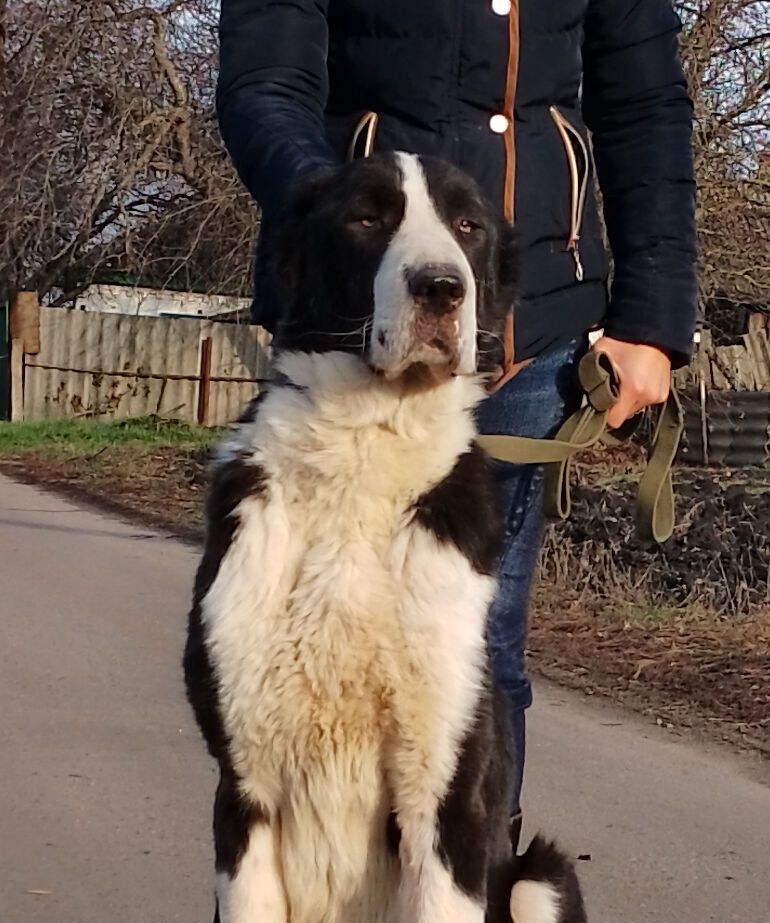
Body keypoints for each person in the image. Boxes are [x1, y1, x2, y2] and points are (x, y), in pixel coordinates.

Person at [216, 0, 697, 846]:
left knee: (477, 653)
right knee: (301, 650)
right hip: (347, 331)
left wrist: (653, 321)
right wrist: (333, 204)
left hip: (534, 329)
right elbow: (267, 84)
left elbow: (644, 107)